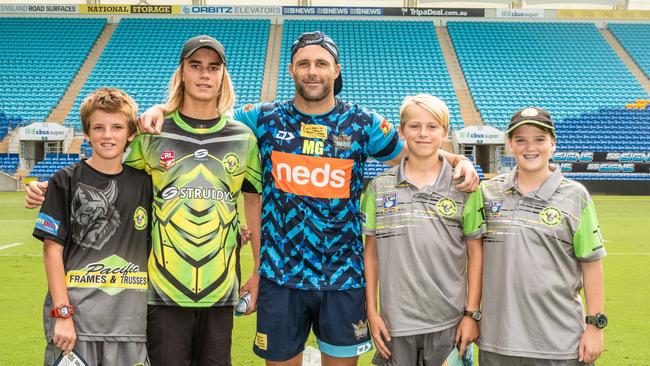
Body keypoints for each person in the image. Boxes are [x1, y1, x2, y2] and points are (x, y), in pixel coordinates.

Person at [138, 31, 479, 366]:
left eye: (321, 63)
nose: (312, 71)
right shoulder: (262, 117)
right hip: (280, 278)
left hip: (344, 278)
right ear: (291, 70)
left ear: (336, 69)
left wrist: (457, 159)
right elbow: (204, 118)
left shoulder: (362, 122)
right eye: (303, 63)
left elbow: (414, 150)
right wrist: (160, 108)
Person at [27, 35, 263, 366]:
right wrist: (50, 186)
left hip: (220, 293)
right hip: (161, 294)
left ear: (224, 75)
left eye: (213, 67)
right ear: (182, 72)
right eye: (195, 66)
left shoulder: (243, 138)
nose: (204, 74)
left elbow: (256, 202)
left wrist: (257, 269)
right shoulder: (153, 134)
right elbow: (108, 171)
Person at [361, 94, 485, 366]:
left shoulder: (465, 187)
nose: (423, 134)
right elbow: (371, 254)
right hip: (394, 324)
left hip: (448, 323)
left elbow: (476, 255)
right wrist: (372, 311)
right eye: (414, 126)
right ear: (402, 130)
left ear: (445, 132)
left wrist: (471, 314)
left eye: (432, 126)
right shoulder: (378, 188)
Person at [479, 107, 607, 366]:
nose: (530, 147)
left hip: (560, 344)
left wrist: (595, 326)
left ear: (553, 144)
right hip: (497, 343)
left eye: (539, 139)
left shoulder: (576, 195)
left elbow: (591, 265)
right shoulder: (487, 192)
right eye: (521, 139)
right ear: (510, 145)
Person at [33, 87, 152, 365]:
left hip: (129, 325)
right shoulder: (65, 180)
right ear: (86, 133)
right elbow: (52, 250)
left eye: (117, 127)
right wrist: (63, 314)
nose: (108, 135)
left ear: (131, 134)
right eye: (98, 127)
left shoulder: (146, 184)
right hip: (76, 324)